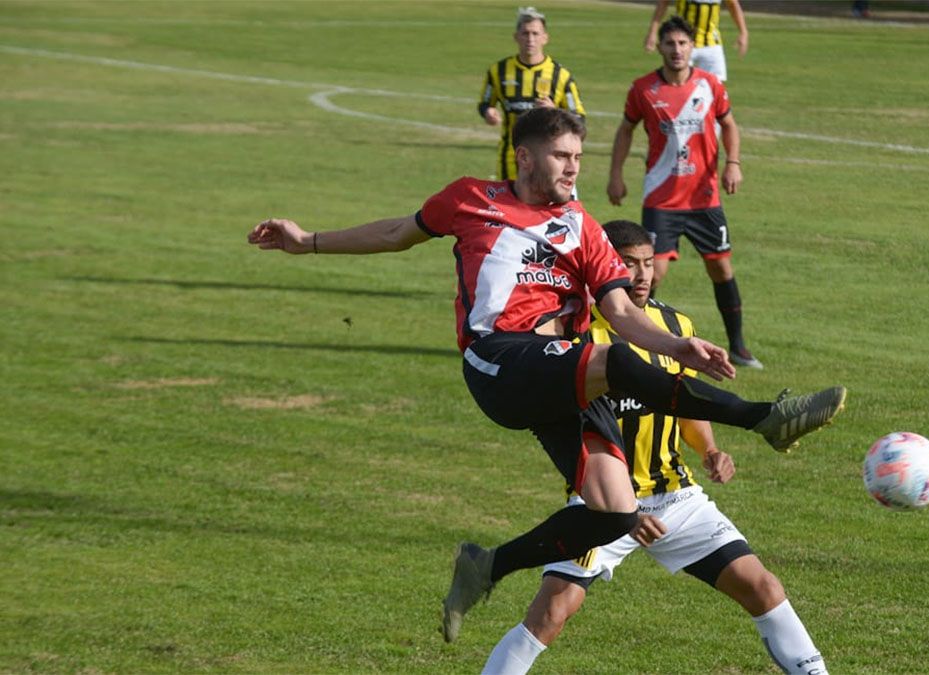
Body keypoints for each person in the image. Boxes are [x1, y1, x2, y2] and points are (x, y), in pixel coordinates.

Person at [247, 107, 846, 644]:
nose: (572, 167)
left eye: (578, 157)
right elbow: (395, 233)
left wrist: (678, 344)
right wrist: (309, 242)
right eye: (562, 156)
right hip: (499, 361)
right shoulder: (470, 197)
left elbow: (620, 312)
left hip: (563, 378)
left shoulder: (584, 227)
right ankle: (765, 417)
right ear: (525, 156)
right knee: (613, 366)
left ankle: (487, 566)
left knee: (614, 513)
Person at [481, 221, 829, 675]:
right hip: (601, 505)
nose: (643, 275)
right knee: (551, 614)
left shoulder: (674, 327)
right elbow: (570, 432)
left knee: (762, 587)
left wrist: (708, 450)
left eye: (648, 263)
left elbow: (684, 402)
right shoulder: (577, 338)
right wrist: (624, 512)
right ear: (605, 266)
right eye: (629, 265)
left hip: (675, 497)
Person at [610, 16, 762, 369]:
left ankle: (738, 347)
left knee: (721, 269)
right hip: (662, 199)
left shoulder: (710, 85)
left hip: (704, 198)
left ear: (692, 47)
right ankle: (635, 342)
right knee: (652, 272)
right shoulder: (643, 89)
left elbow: (729, 123)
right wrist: (615, 174)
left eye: (682, 44)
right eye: (670, 44)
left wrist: (733, 162)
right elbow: (625, 130)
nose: (676, 50)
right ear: (660, 47)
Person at [479, 6, 586, 181]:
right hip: (510, 160)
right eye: (525, 33)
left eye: (535, 34)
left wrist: (555, 112)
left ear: (545, 38)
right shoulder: (498, 71)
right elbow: (484, 103)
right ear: (516, 37)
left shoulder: (561, 76)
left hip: (550, 163)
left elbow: (580, 119)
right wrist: (487, 112)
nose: (530, 39)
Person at [644, 0, 748, 82]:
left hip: (711, 43)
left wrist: (743, 32)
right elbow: (663, 2)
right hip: (683, 43)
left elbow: (733, 4)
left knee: (716, 85)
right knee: (680, 84)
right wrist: (653, 32)